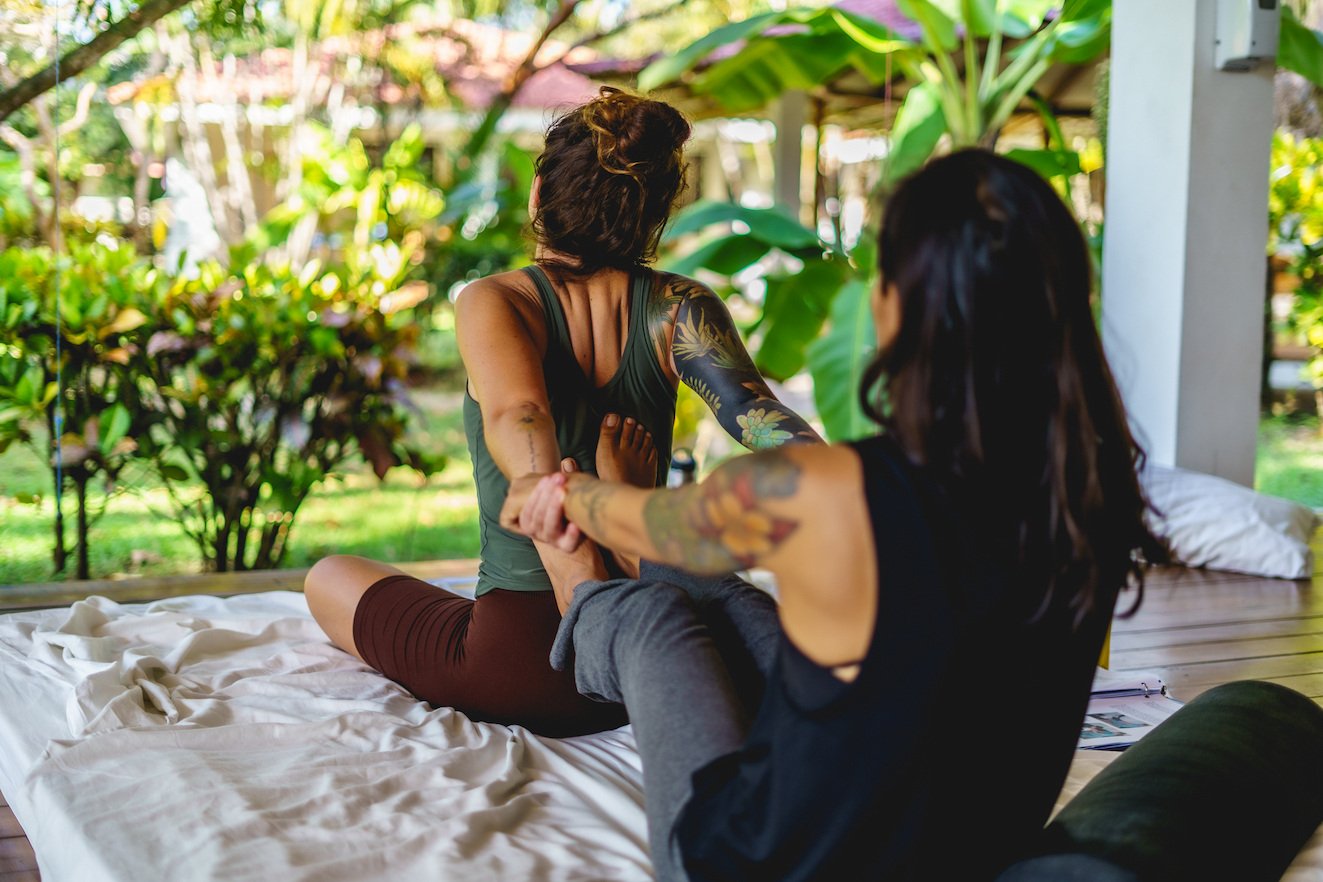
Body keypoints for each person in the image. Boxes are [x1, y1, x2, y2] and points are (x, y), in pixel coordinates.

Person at [501, 148, 1168, 879]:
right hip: (960, 853)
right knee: (729, 600)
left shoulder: (824, 491)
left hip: (750, 865)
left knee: (654, 618)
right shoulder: (1091, 497)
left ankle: (586, 594)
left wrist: (565, 496)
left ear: (901, 305)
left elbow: (654, 525)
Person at [303, 86, 820, 738]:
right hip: (669, 647)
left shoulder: (494, 300)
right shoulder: (680, 306)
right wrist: (831, 469)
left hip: (524, 663)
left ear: (539, 192)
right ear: (655, 212)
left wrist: (539, 488)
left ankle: (581, 577)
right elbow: (753, 413)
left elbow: (518, 412)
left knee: (328, 576)